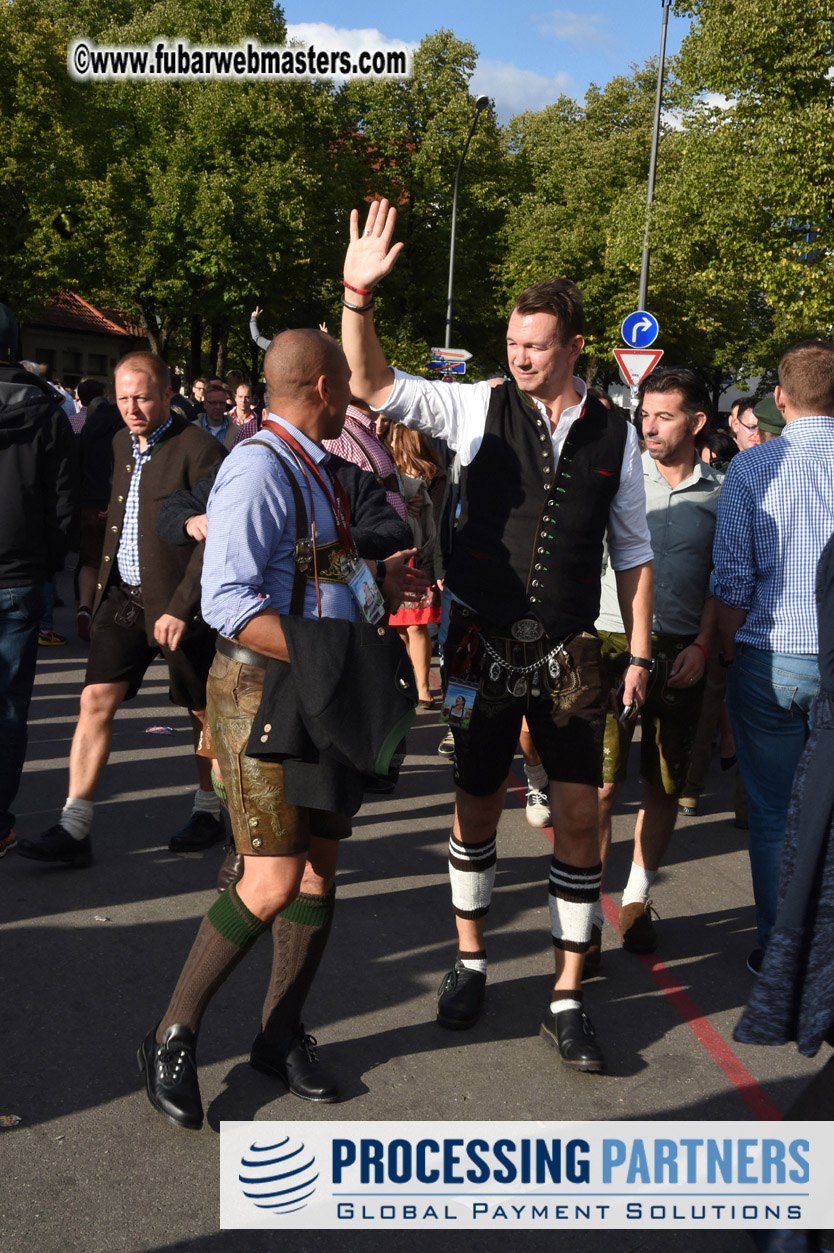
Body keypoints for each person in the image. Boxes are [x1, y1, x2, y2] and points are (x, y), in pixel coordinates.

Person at [340, 198, 654, 1072]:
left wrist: (637, 651)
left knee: (583, 816)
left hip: (571, 647)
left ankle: (565, 993)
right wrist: (356, 299)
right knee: (476, 801)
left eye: (536, 343)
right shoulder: (478, 407)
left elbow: (632, 551)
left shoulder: (615, 433)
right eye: (514, 340)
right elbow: (374, 386)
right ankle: (471, 959)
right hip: (479, 640)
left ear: (574, 347)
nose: (519, 354)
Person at [138, 328, 421, 1130]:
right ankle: (170, 1034)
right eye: (349, 388)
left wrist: (375, 579)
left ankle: (277, 1033)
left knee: (320, 870)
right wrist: (327, 645)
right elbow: (228, 603)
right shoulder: (259, 465)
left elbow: (314, 575)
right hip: (263, 691)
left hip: (319, 684)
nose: (355, 400)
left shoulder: (315, 466)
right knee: (268, 879)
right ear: (327, 386)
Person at [17, 352, 227, 867]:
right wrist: (94, 587)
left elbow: (213, 539)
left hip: (182, 607)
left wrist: (182, 606)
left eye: (143, 397)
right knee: (94, 700)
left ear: (166, 394)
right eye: (123, 396)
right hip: (123, 597)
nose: (131, 407)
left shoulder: (200, 449)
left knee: (203, 712)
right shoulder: (118, 440)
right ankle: (75, 824)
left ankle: (211, 810)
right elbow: (118, 516)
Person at [714, 339, 834, 974]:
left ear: (780, 400)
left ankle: (783, 952)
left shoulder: (754, 469)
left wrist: (724, 649)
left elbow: (733, 581)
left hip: (773, 655)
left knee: (772, 815)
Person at [596, 368, 722, 956]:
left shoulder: (721, 494)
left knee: (663, 784)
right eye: (644, 413)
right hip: (612, 642)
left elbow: (725, 580)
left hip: (681, 653)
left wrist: (701, 644)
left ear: (697, 424)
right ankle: (584, 912)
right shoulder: (619, 479)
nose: (648, 425)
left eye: (664, 416)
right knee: (597, 787)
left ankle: (637, 898)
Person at [0, 304, 77, 858]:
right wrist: (52, 562)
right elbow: (63, 500)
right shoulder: (46, 407)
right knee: (7, 704)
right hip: (22, 574)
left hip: (22, 572)